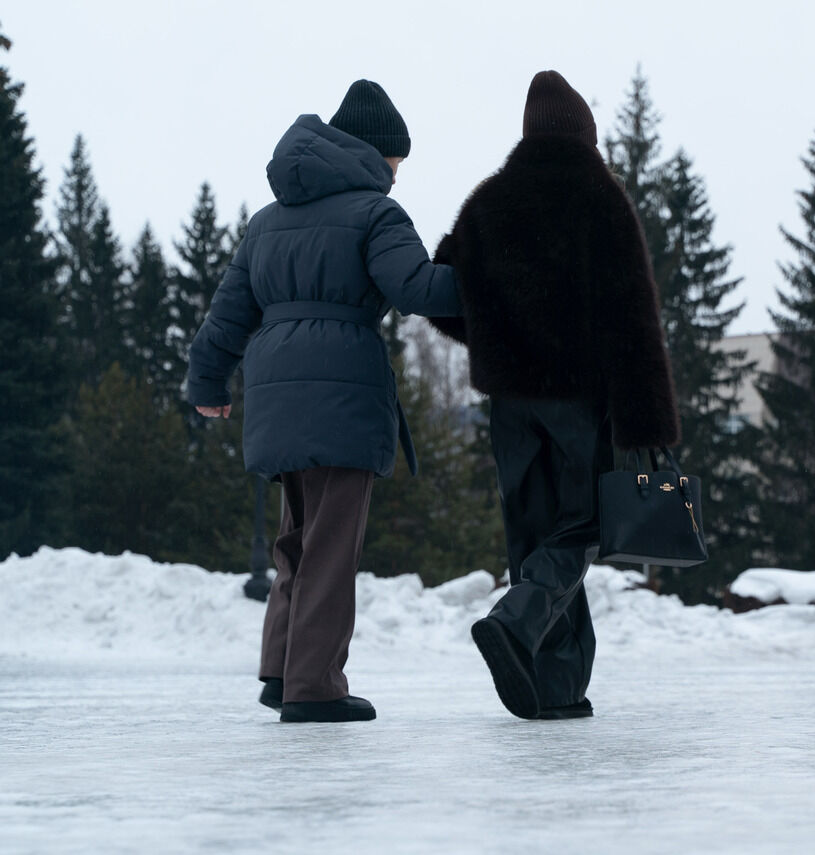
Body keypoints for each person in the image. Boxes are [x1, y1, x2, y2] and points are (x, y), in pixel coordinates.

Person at [186, 80, 461, 723]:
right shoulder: (376, 213)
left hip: (276, 394)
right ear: (372, 152)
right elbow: (417, 289)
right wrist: (494, 275)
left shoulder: (265, 223)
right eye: (395, 159)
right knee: (332, 547)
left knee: (297, 541)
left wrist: (207, 384)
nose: (397, 173)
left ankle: (282, 672)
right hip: (341, 392)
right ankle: (315, 687)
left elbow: (227, 317)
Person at [430, 70, 679, 720]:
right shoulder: (600, 198)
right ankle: (516, 621)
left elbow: (447, 300)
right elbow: (633, 316)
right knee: (586, 524)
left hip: (510, 404)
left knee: (533, 533)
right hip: (577, 398)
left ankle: (553, 686)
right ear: (584, 135)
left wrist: (497, 334)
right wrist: (648, 423)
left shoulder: (489, 200)